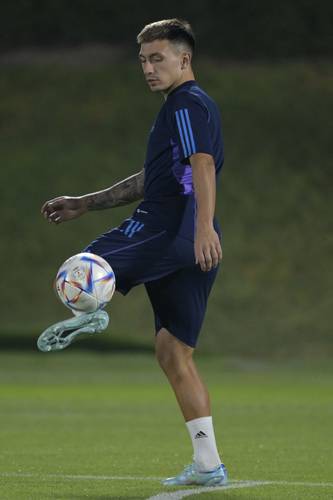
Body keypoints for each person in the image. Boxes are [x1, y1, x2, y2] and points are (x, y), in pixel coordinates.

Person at [39, 18, 227, 487]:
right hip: (190, 238)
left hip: (168, 227)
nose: (147, 67)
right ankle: (209, 467)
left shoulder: (185, 103)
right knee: (173, 353)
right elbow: (152, 179)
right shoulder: (185, 109)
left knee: (81, 269)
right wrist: (86, 202)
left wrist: (202, 227)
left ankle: (93, 309)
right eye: (143, 59)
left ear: (184, 59)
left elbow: (202, 165)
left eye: (157, 58)